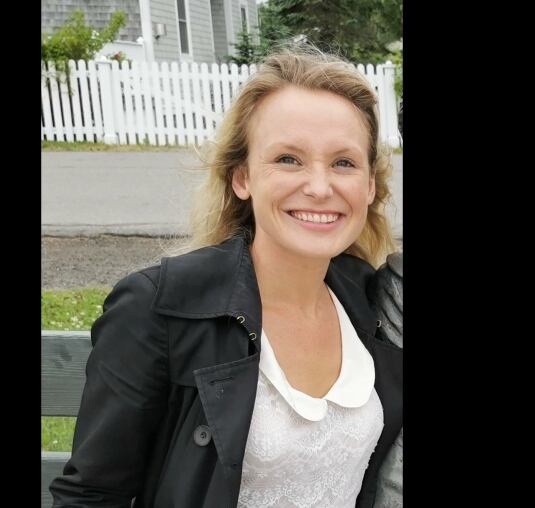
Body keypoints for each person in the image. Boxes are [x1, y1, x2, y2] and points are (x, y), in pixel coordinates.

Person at [50, 44, 403, 508]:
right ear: (242, 178)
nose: (320, 187)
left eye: (343, 162)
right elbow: (91, 496)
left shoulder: (368, 300)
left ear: (370, 185)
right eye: (288, 159)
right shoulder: (161, 307)